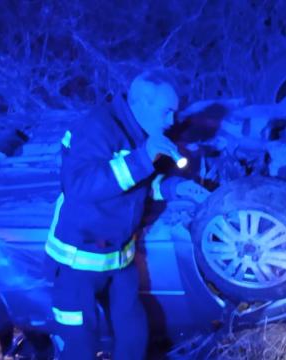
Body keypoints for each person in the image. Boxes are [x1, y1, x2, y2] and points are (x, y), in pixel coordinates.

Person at [45, 69, 209, 359]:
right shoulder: (96, 128)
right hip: (77, 260)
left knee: (133, 329)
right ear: (142, 103)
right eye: (166, 112)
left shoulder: (141, 130)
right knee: (78, 339)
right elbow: (80, 185)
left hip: (120, 256)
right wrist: (143, 157)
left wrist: (175, 188)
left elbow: (139, 188)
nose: (171, 121)